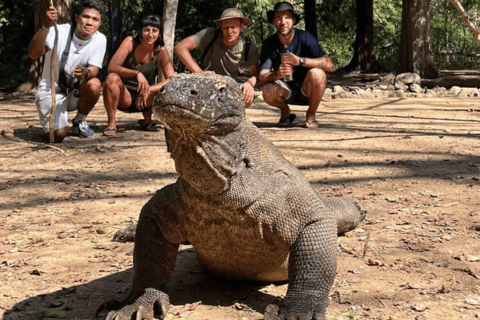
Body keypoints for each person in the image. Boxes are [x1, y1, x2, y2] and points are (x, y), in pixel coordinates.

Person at [28, 0, 107, 142]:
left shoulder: (100, 39)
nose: (89, 22)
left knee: (94, 84)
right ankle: (56, 122)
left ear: (100, 23)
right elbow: (33, 54)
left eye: (95, 19)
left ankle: (79, 122)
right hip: (52, 91)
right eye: (85, 17)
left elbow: (94, 69)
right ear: (77, 18)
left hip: (73, 92)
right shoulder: (57, 31)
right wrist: (46, 26)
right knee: (58, 136)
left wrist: (86, 72)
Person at [259, 2, 334, 128]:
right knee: (267, 90)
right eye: (279, 18)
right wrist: (277, 74)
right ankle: (285, 111)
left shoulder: (305, 37)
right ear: (273, 21)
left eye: (287, 17)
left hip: (307, 90)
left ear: (293, 20)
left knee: (318, 74)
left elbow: (329, 65)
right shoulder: (269, 43)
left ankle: (311, 114)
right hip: (285, 90)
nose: (283, 22)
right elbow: (262, 75)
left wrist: (301, 61)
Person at [102, 15, 175, 136]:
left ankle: (147, 120)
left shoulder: (161, 51)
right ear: (140, 31)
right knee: (111, 78)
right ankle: (111, 124)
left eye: (154, 30)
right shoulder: (130, 42)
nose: (150, 34)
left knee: (168, 88)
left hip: (146, 98)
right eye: (146, 30)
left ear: (159, 33)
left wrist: (150, 89)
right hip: (125, 96)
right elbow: (112, 67)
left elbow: (172, 79)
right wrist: (137, 73)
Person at [174, 8, 260, 108]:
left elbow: (257, 74)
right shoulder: (209, 35)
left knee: (246, 99)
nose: (229, 31)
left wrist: (250, 84)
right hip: (207, 83)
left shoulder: (247, 45)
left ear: (241, 27)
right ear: (221, 26)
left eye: (233, 27)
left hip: (231, 85)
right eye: (226, 27)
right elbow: (180, 47)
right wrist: (199, 72)